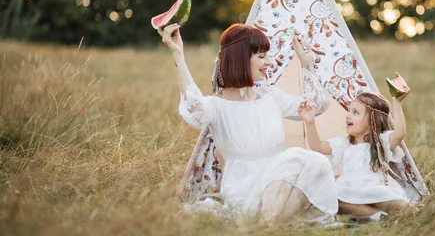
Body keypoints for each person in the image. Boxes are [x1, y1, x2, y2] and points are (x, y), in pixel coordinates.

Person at [158, 22, 338, 224]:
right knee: (296, 156)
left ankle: (267, 224)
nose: (269, 62)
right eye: (261, 56)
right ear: (241, 59)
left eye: (267, 55)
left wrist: (306, 63)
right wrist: (178, 55)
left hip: (280, 186)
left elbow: (316, 105)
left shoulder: (271, 96)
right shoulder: (216, 106)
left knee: (319, 163)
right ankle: (268, 222)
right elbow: (193, 108)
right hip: (244, 190)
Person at [298, 88, 413, 219]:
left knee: (391, 201)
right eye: (349, 111)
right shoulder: (344, 145)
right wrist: (310, 123)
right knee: (337, 203)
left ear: (372, 122)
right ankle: (376, 216)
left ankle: (416, 210)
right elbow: (317, 147)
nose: (348, 116)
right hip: (349, 190)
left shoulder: (380, 143)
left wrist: (396, 102)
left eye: (355, 112)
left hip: (374, 188)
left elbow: (399, 134)